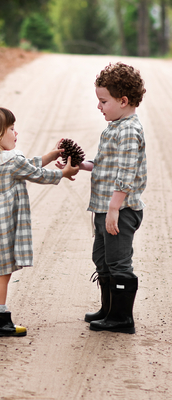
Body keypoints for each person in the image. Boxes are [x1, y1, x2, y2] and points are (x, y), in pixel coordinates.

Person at [0, 104, 79, 337]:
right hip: (2, 227)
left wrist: (51, 155)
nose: (16, 132)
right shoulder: (12, 161)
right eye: (11, 128)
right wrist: (63, 172)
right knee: (3, 273)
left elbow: (26, 165)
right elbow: (35, 173)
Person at [58, 62, 147, 334]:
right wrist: (79, 165)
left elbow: (127, 172)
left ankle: (122, 318)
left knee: (119, 261)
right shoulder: (115, 126)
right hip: (104, 208)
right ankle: (108, 308)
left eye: (103, 101)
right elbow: (107, 165)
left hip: (121, 209)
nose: (99, 106)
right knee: (102, 257)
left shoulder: (129, 130)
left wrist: (114, 208)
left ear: (123, 101)